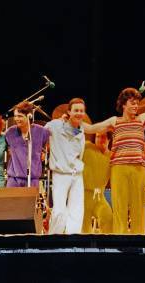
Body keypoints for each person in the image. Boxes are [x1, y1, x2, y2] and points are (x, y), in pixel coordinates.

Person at [81, 88, 145, 234]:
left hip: (138, 168)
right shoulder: (114, 121)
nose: (136, 106)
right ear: (123, 105)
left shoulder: (141, 119)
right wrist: (72, 120)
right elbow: (91, 128)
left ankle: (138, 238)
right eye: (132, 103)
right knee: (119, 206)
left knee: (138, 206)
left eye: (137, 103)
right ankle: (119, 238)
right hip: (119, 167)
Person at [45, 98, 87, 234]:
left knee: (76, 209)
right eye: (76, 110)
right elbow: (40, 135)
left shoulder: (81, 130)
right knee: (59, 210)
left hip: (77, 174)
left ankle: (73, 239)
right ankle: (53, 239)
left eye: (81, 111)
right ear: (69, 111)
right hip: (61, 174)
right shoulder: (55, 125)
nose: (79, 113)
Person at [5, 101, 50, 187]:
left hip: (32, 180)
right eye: (15, 116)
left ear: (29, 116)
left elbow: (48, 143)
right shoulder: (10, 132)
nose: (16, 119)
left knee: (31, 201)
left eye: (20, 116)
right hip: (14, 179)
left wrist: (44, 151)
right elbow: (6, 147)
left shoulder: (41, 131)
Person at [81, 132, 113, 234]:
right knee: (84, 228)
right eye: (98, 136)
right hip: (84, 195)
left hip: (99, 196)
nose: (100, 139)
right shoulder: (87, 147)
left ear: (109, 140)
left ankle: (108, 247)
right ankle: (84, 247)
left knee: (108, 217)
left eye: (103, 137)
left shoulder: (112, 156)